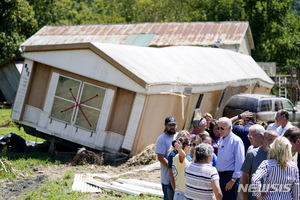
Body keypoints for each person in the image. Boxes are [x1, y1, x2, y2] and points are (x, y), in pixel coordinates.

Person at [240, 129, 279, 200]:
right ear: (263, 138)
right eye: (270, 139)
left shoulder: (279, 156)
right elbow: (245, 177)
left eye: (275, 141)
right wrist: (245, 197)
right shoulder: (252, 154)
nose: (273, 143)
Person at [215, 117, 244, 200]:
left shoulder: (236, 141)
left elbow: (240, 162)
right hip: (221, 176)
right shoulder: (222, 139)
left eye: (222, 128)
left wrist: (233, 180)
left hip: (230, 177)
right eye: (218, 128)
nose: (219, 130)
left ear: (230, 127)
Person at [156, 116, 178, 200]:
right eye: (170, 125)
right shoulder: (162, 139)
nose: (172, 127)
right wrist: (172, 169)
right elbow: (161, 158)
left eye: (174, 125)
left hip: (178, 177)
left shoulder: (178, 136)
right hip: (167, 177)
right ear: (165, 125)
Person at [167, 130, 191, 200]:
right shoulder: (174, 155)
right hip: (175, 189)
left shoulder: (189, 154)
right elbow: (171, 174)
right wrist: (175, 190)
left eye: (188, 139)